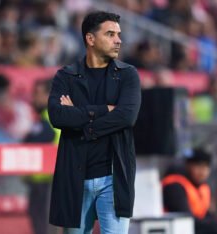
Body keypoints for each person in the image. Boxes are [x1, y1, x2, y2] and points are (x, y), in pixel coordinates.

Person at [47, 11, 141, 234]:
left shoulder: (128, 75)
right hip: (75, 177)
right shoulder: (65, 76)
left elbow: (127, 116)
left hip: (113, 178)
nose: (118, 40)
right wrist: (103, 110)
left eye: (118, 34)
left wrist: (81, 121)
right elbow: (57, 116)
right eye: (110, 34)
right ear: (90, 39)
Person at [23, 79, 60, 234]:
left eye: (38, 94)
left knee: (45, 225)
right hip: (41, 179)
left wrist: (27, 138)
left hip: (49, 180)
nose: (34, 98)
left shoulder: (50, 115)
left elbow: (38, 138)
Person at [162, 147, 217, 234]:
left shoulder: (202, 187)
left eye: (206, 166)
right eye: (198, 165)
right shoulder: (174, 186)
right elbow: (186, 220)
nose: (202, 171)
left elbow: (206, 216)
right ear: (187, 165)